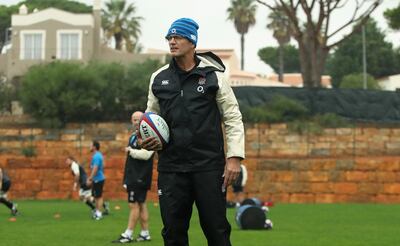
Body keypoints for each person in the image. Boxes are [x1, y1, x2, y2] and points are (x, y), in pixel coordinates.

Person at [140, 18, 245, 246]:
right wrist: (143, 137)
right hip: (171, 169)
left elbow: (232, 117)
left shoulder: (213, 76)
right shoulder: (158, 78)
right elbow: (151, 118)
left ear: (192, 42)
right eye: (169, 37)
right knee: (173, 234)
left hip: (208, 167)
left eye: (177, 37)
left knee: (217, 231)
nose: (172, 41)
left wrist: (234, 157)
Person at [112, 111, 155, 243]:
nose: (136, 122)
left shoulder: (149, 134)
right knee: (141, 204)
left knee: (133, 205)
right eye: (134, 119)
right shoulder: (133, 136)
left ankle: (128, 234)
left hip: (140, 176)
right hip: (133, 176)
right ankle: (145, 233)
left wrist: (130, 151)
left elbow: (147, 154)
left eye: (138, 119)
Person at [87, 140, 107, 220]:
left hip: (98, 179)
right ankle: (97, 212)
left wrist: (90, 178)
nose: (89, 147)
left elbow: (95, 168)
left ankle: (99, 213)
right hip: (97, 179)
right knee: (96, 196)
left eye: (90, 145)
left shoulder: (97, 156)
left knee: (99, 197)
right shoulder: (97, 155)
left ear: (94, 147)